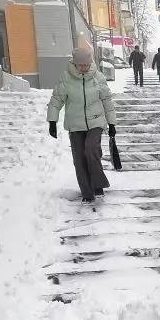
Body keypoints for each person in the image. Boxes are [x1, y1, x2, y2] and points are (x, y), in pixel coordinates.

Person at [47, 47, 116, 204]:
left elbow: (107, 101)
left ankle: (98, 184)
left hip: (96, 122)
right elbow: (57, 99)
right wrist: (52, 120)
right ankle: (87, 192)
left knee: (91, 150)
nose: (84, 67)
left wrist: (111, 123)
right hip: (75, 124)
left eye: (86, 64)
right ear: (75, 63)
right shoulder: (66, 78)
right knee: (79, 158)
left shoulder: (98, 77)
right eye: (81, 65)